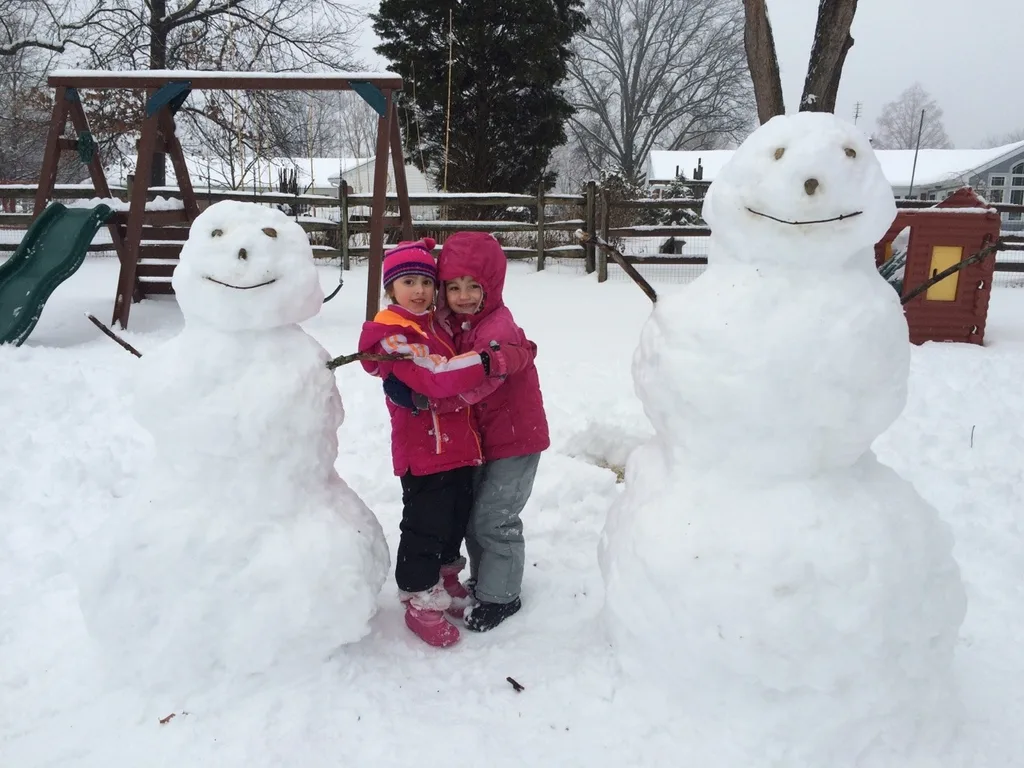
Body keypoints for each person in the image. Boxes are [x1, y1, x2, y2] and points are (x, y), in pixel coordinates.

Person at [357, 237, 534, 647]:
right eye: (408, 282)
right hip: (424, 453)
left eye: (425, 281)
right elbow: (437, 377)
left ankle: (445, 579)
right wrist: (491, 359)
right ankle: (419, 595)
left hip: (455, 450)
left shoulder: (435, 325)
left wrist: (517, 353)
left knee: (452, 518)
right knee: (425, 526)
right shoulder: (393, 334)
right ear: (390, 290)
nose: (419, 291)